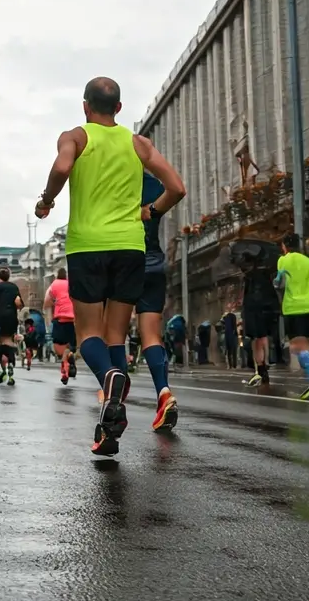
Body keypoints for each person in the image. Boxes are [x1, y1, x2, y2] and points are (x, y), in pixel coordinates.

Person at [34, 76, 185, 456]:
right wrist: (150, 211)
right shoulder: (138, 144)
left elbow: (61, 167)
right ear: (118, 108)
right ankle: (110, 426)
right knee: (116, 334)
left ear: (85, 105)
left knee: (88, 337)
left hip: (88, 247)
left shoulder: (75, 136)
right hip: (132, 247)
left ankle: (109, 378)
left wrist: (47, 200)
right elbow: (177, 188)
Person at [134, 172, 180, 431]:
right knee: (152, 335)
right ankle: (163, 391)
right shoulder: (153, 183)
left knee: (113, 333)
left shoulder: (114, 179)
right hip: (153, 261)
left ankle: (112, 400)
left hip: (124, 259)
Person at [274, 233, 309, 400]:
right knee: (305, 344)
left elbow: (278, 281)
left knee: (296, 346)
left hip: (292, 308)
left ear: (285, 246)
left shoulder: (283, 260)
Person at [241, 253, 280, 386]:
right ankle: (264, 367)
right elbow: (272, 294)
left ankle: (261, 368)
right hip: (266, 311)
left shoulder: (249, 277)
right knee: (263, 338)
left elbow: (247, 298)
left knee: (256, 341)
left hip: (254, 311)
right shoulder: (265, 276)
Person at [0, 268, 23, 384]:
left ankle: (3, 368)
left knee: (1, 342)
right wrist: (17, 309)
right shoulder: (14, 287)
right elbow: (18, 302)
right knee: (9, 341)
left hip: (0, 317)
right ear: (9, 276)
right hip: (11, 317)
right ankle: (11, 366)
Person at [45, 269, 77, 383]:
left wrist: (56, 302)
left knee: (58, 347)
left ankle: (65, 365)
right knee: (70, 345)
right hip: (73, 318)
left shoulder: (54, 284)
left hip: (60, 318)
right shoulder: (71, 283)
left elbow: (48, 301)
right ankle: (68, 359)